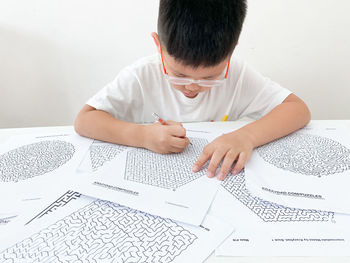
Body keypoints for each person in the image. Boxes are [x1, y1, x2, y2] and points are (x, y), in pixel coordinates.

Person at [74, 0, 310, 181]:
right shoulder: (141, 75)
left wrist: (246, 136)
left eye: (209, 77)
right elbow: (85, 120)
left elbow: (297, 109)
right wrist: (142, 136)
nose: (193, 86)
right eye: (179, 74)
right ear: (158, 45)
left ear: (231, 52)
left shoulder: (237, 74)